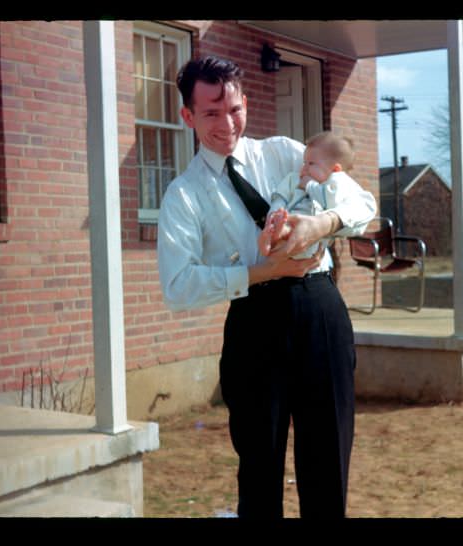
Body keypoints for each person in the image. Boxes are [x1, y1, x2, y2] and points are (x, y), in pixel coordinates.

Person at [157, 56, 376, 519]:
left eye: (234, 109)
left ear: (246, 103)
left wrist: (320, 224)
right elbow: (178, 286)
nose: (227, 124)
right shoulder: (184, 193)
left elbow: (361, 203)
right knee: (259, 471)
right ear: (188, 116)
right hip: (254, 321)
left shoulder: (284, 153)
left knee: (328, 462)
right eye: (211, 113)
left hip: (319, 311)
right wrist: (267, 272)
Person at [258, 131, 363, 263]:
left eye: (311, 163)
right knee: (280, 228)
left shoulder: (336, 186)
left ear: (335, 170)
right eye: (304, 162)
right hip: (289, 219)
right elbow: (280, 196)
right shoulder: (294, 179)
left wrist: (309, 185)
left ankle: (275, 239)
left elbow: (329, 203)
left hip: (312, 240)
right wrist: (275, 212)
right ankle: (270, 239)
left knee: (299, 239)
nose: (304, 168)